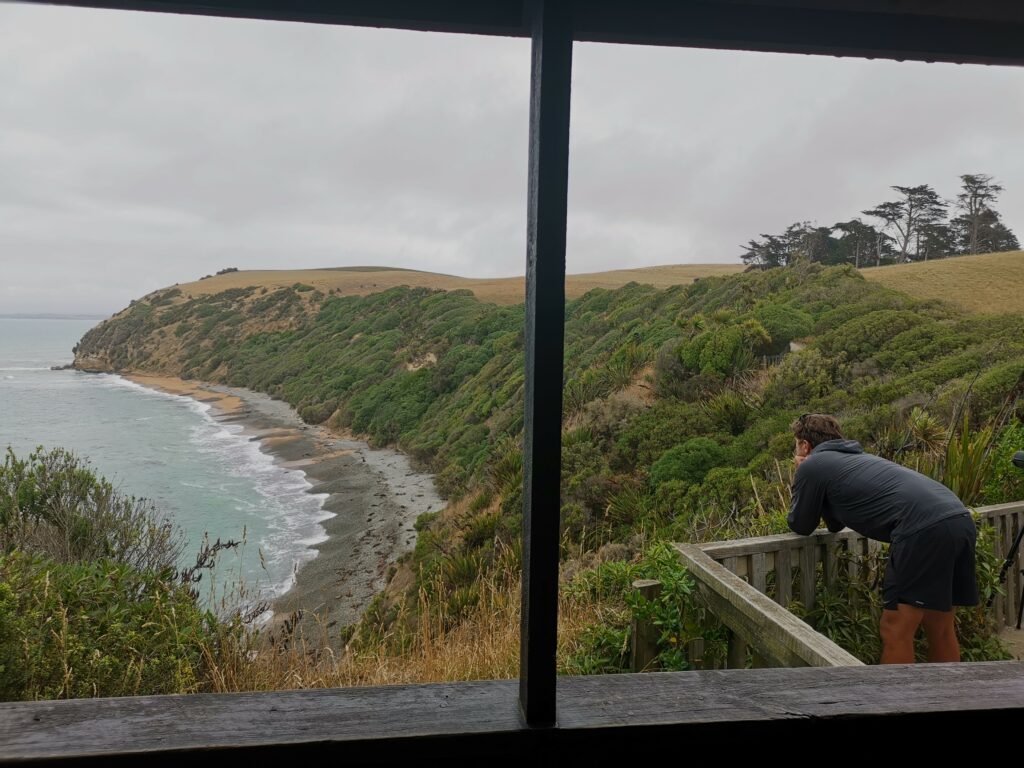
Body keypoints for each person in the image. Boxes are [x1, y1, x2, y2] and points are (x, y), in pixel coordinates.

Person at [787, 413, 978, 663]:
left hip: (922, 529)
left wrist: (802, 474)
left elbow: (800, 524)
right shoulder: (858, 460)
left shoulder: (813, 464)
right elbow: (836, 523)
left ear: (804, 445)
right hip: (958, 517)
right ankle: (951, 701)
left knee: (895, 629)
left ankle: (896, 702)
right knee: (939, 626)